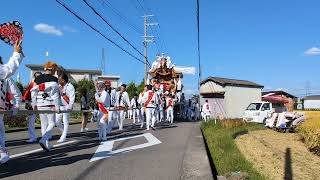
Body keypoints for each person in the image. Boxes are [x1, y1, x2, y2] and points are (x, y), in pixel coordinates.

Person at [31, 61, 61, 151]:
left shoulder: (38, 78)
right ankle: (44, 140)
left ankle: (47, 143)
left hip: (40, 104)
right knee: (52, 123)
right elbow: (55, 95)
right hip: (50, 103)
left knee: (44, 124)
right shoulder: (54, 79)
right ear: (53, 69)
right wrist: (57, 106)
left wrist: (34, 104)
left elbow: (33, 93)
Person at [0, 61, 22, 164]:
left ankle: (2, 151)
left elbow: (16, 93)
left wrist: (16, 106)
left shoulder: (5, 75)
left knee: (1, 132)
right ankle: (2, 152)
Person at [55, 73, 75, 143]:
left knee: (65, 122)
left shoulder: (70, 86)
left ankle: (63, 137)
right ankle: (64, 132)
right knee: (57, 122)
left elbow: (72, 97)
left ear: (63, 80)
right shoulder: (58, 86)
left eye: (59, 79)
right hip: (60, 106)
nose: (58, 80)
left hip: (67, 106)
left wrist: (70, 106)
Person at [22, 71, 42, 143]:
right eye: (37, 76)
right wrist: (27, 102)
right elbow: (27, 94)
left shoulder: (45, 84)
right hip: (33, 105)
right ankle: (33, 137)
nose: (38, 78)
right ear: (34, 77)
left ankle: (47, 136)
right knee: (31, 122)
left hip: (43, 104)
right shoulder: (32, 84)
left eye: (39, 76)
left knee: (45, 122)